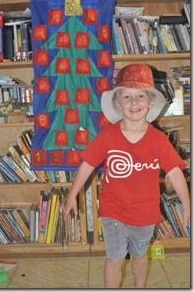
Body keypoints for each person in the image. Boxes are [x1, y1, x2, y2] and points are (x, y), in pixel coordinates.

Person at [63, 63, 190, 288]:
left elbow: (175, 173)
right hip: (114, 209)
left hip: (145, 212)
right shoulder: (107, 136)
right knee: (115, 256)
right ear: (118, 103)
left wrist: (187, 204)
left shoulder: (159, 141)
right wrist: (73, 195)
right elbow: (87, 165)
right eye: (127, 97)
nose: (134, 102)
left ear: (151, 103)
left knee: (140, 255)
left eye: (141, 96)